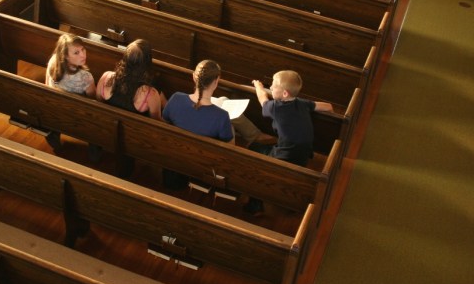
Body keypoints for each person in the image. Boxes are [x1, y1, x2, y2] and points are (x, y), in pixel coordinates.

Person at [247, 70, 333, 214]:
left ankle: (255, 204)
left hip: (285, 156)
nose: (271, 88)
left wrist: (258, 86)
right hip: (303, 156)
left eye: (273, 86)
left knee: (254, 160)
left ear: (285, 93)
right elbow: (328, 107)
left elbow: (262, 99)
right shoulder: (302, 103)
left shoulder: (275, 107)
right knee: (260, 146)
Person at [96, 39, 165, 178]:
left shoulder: (106, 77)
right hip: (135, 139)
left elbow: (98, 103)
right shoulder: (149, 93)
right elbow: (156, 122)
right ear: (146, 62)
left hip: (106, 129)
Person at [161, 59, 233, 188]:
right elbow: (229, 149)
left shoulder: (176, 98)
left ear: (194, 77)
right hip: (201, 168)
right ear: (216, 82)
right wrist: (230, 126)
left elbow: (165, 124)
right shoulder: (222, 117)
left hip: (173, 161)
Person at [43, 33, 96, 154]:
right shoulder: (85, 77)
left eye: (83, 49)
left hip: (55, 109)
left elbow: (46, 85)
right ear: (66, 56)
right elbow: (94, 101)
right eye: (76, 53)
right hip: (78, 116)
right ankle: (94, 146)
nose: (83, 55)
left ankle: (54, 136)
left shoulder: (53, 61)